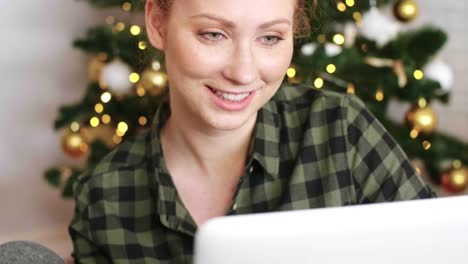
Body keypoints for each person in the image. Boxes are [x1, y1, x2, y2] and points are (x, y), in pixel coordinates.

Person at [69, 0, 436, 263]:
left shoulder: (342, 130)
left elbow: (441, 249)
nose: (243, 73)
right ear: (157, 24)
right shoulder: (104, 198)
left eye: (271, 38)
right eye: (214, 34)